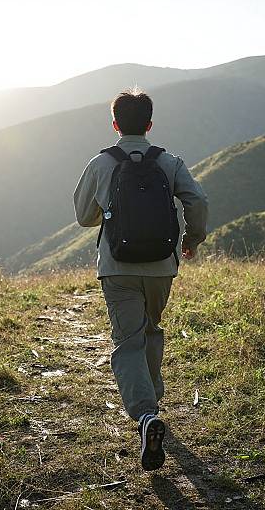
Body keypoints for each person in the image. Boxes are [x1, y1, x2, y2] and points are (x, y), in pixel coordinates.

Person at [73, 89, 208, 471]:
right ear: (149, 125)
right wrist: (191, 240)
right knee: (150, 329)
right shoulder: (169, 162)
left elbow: (84, 216)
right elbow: (198, 202)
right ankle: (153, 402)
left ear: (114, 124)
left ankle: (147, 415)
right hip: (162, 266)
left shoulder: (101, 163)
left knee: (127, 341)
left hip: (117, 267)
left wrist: (112, 212)